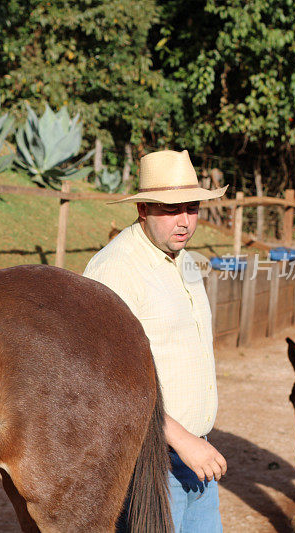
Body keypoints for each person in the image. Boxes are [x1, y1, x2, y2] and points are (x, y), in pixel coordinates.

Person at [83, 149, 228, 532]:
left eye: (192, 208)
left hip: (195, 456)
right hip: (148, 461)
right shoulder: (115, 271)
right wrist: (181, 438)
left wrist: (194, 441)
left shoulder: (187, 261)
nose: (184, 221)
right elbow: (106, 383)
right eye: (170, 209)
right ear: (143, 209)